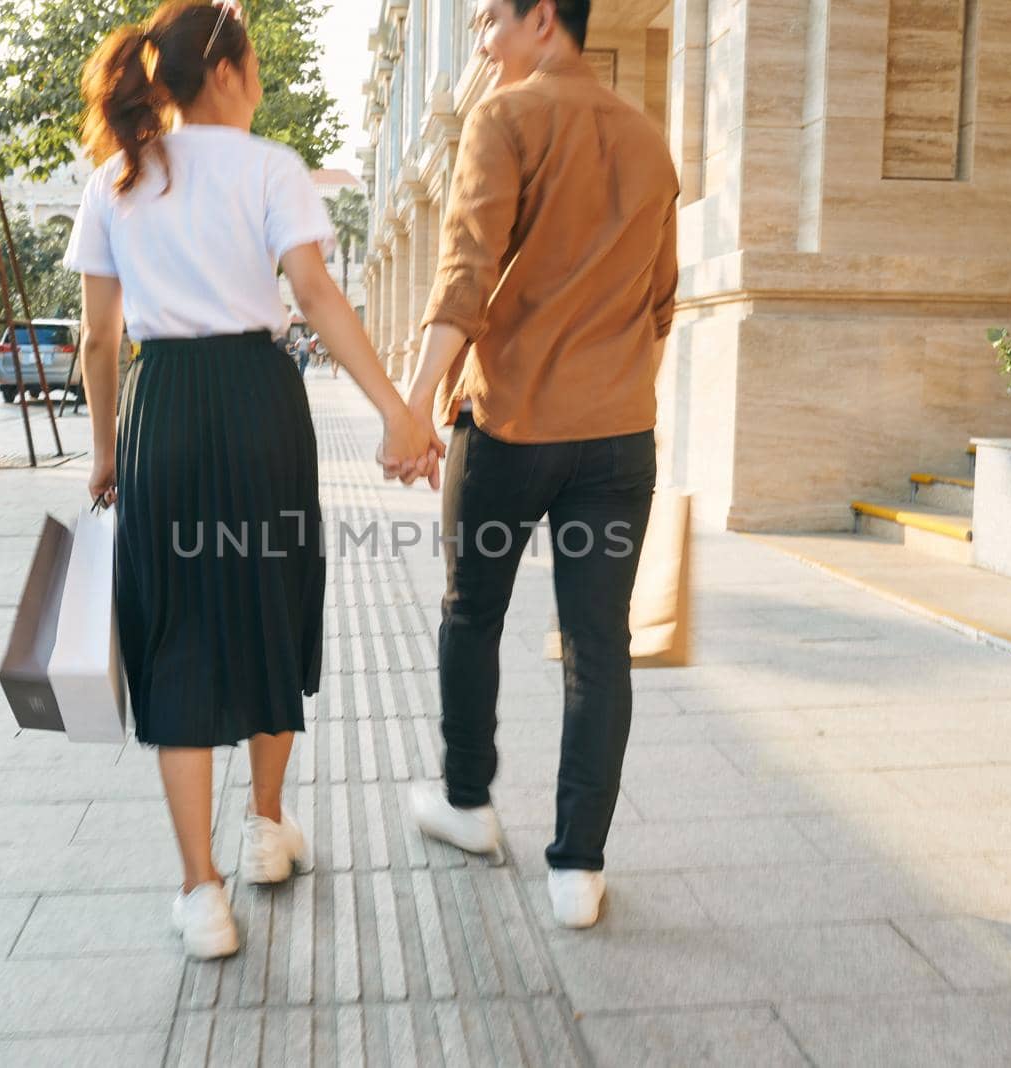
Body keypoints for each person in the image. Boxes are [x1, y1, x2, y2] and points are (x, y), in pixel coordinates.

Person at [68, 0, 443, 961]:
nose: (262, 74)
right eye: (257, 60)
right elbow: (315, 293)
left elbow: (98, 341)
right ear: (229, 71)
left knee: (178, 631)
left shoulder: (115, 180)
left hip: (166, 408)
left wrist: (109, 451)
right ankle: (267, 827)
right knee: (272, 600)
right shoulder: (272, 166)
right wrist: (399, 410)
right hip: (259, 404)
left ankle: (202, 894)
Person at [400, 0, 679, 930]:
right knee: (599, 646)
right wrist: (616, 383)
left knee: (472, 613)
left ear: (543, 21)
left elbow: (466, 274)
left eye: (489, 22)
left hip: (510, 428)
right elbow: (663, 302)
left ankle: (470, 805)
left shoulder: (505, 116)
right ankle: (578, 870)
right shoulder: (649, 141)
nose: (482, 41)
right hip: (617, 440)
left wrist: (412, 404)